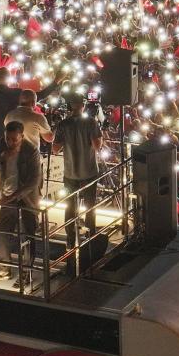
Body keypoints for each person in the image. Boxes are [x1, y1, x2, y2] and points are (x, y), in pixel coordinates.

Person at [0, 120, 41, 283]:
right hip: (7, 196)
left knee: (27, 236)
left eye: (14, 139)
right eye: (8, 139)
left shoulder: (31, 151)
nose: (11, 142)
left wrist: (12, 196)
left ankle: (27, 272)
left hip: (25, 199)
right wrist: (1, 156)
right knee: (2, 233)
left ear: (22, 136)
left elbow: (34, 181)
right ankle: (4, 268)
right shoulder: (3, 144)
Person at [55, 95, 102, 248]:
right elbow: (97, 146)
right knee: (90, 205)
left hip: (70, 172)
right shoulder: (91, 122)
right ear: (83, 105)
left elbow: (55, 148)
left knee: (70, 206)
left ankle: (70, 236)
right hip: (89, 171)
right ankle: (90, 233)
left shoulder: (63, 124)